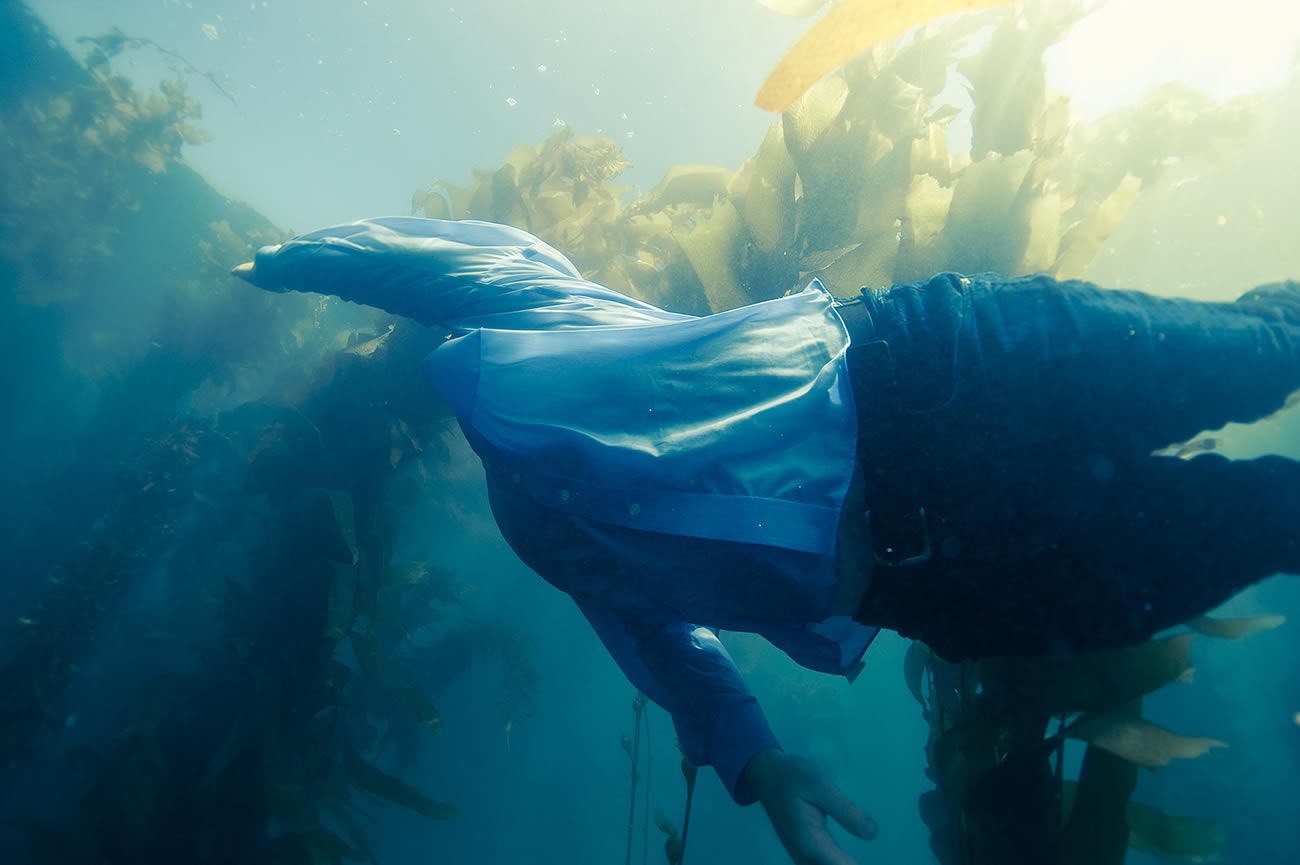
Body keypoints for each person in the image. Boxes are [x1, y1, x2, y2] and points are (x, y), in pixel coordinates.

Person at [233, 216, 1300, 865]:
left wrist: (308, 257)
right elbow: (663, 640)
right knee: (1278, 520)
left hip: (950, 374)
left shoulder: (544, 320)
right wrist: (763, 763)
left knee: (1264, 351)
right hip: (962, 586)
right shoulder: (537, 529)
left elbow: (462, 263)